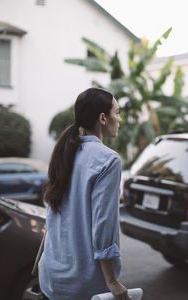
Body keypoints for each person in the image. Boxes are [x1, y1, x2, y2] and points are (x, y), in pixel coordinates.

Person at [38, 87, 131, 300]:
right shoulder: (108, 160)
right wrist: (112, 280)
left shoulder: (64, 151)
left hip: (50, 277)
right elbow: (103, 226)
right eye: (117, 112)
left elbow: (53, 213)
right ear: (102, 118)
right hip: (83, 285)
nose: (120, 119)